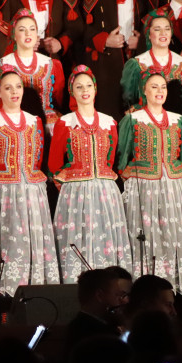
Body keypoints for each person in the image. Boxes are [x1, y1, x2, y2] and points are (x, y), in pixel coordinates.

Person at [0, 67, 59, 294]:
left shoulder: (34, 122)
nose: (14, 92)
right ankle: (1, 295)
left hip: (30, 192)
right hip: (0, 194)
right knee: (4, 243)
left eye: (18, 87)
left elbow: (37, 159)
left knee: (28, 243)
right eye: (8, 88)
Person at [117, 71, 182, 291]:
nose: (159, 91)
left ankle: (176, 286)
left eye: (163, 87)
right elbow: (123, 156)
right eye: (154, 87)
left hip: (174, 186)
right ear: (144, 91)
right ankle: (144, 285)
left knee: (173, 233)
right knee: (147, 232)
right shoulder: (133, 119)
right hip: (144, 186)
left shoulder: (180, 121)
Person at [49, 66, 133, 284]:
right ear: (72, 92)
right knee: (79, 237)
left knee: (105, 237)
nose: (84, 90)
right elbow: (54, 164)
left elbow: (111, 157)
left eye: (88, 86)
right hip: (76, 192)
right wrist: (70, 184)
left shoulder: (109, 122)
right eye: (79, 87)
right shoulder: (65, 122)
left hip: (106, 191)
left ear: (95, 89)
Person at [80, 0, 156, 119]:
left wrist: (142, 41)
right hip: (105, 66)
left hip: (138, 62)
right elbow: (79, 28)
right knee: (108, 115)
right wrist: (104, 40)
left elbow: (156, 26)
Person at [0, 8, 65, 132]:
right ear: (14, 35)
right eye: (22, 30)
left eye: (32, 29)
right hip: (13, 123)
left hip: (48, 125)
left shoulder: (51, 64)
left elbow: (58, 98)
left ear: (37, 34)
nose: (28, 34)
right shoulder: (2, 65)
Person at [121, 7, 182, 114]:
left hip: (175, 123)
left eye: (167, 29)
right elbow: (128, 100)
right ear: (149, 35)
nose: (163, 33)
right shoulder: (136, 64)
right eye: (157, 29)